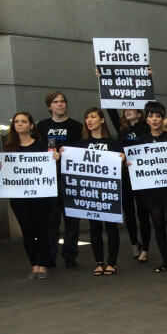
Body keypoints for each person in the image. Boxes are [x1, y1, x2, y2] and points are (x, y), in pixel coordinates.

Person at [0, 111, 59, 278]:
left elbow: (50, 167)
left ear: (31, 125)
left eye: (23, 121)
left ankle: (43, 265)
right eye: (17, 121)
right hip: (19, 197)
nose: (19, 124)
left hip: (41, 196)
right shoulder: (10, 148)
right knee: (27, 231)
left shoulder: (42, 146)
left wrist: (55, 157)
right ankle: (34, 265)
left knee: (41, 230)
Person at [69, 107, 124, 276]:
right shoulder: (81, 144)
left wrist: (122, 159)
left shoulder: (113, 143)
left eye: (93, 117)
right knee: (95, 226)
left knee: (111, 226)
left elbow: (120, 165)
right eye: (87, 117)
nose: (89, 120)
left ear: (101, 120)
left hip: (109, 191)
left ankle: (112, 262)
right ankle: (99, 262)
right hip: (90, 191)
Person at [133, 102, 167, 273]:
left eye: (158, 116)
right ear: (146, 119)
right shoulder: (141, 141)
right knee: (158, 224)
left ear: (163, 119)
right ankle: (165, 261)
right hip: (151, 189)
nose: (154, 119)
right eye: (151, 116)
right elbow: (136, 162)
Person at [36, 91, 82, 268]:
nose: (60, 104)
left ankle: (70, 255)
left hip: (71, 178)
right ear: (49, 106)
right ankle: (49, 255)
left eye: (63, 101)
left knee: (72, 219)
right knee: (51, 220)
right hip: (50, 179)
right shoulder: (42, 126)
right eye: (56, 102)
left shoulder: (77, 126)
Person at [112, 108, 151, 262]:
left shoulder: (145, 128)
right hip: (126, 175)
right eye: (125, 110)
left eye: (131, 110)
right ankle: (135, 244)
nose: (127, 112)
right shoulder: (122, 130)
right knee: (128, 212)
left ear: (140, 114)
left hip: (141, 176)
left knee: (143, 213)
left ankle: (146, 248)